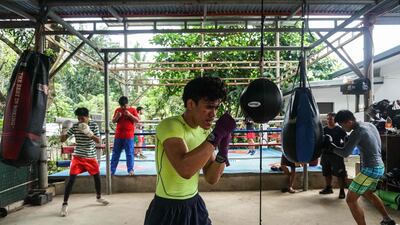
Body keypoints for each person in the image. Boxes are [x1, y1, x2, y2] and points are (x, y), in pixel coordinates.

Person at [144, 77, 236, 225]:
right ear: (191, 104)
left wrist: (223, 152)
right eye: (209, 106)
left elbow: (211, 178)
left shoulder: (205, 133)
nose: (213, 114)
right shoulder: (170, 126)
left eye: (216, 108)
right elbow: (185, 169)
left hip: (194, 203)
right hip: (167, 207)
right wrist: (216, 137)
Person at [330, 110, 396, 225]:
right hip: (379, 166)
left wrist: (330, 147)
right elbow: (376, 145)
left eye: (342, 125)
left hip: (370, 170)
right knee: (368, 193)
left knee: (350, 200)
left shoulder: (358, 131)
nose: (342, 128)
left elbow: (345, 153)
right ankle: (387, 220)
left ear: (349, 121)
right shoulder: (369, 125)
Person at [59, 107, 109, 217]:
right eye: (78, 118)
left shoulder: (94, 125)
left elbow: (98, 141)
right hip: (78, 156)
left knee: (97, 177)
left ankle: (99, 197)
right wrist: (64, 131)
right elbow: (62, 140)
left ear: (87, 116)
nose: (80, 120)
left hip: (91, 156)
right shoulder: (76, 126)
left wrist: (88, 133)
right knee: (71, 179)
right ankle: (64, 204)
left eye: (82, 118)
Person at [319, 112, 348, 199]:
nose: (329, 121)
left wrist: (343, 148)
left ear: (335, 120)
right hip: (325, 154)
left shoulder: (340, 130)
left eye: (330, 119)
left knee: (340, 173)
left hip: (336, 154)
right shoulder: (323, 130)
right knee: (326, 172)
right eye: (327, 119)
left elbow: (346, 140)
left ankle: (342, 190)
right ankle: (328, 188)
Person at [111, 96, 140, 176]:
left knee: (130, 153)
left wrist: (130, 115)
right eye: (121, 106)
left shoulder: (133, 110)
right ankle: (112, 170)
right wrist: (117, 116)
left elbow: (137, 120)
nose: (123, 107)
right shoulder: (118, 110)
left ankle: (130, 170)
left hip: (129, 136)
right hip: (118, 136)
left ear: (127, 103)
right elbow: (113, 121)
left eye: (124, 106)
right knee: (115, 153)